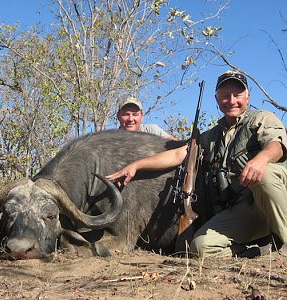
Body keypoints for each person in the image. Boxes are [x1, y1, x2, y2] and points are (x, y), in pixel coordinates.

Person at [107, 70, 287, 258]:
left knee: (265, 174)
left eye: (237, 95)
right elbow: (177, 154)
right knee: (200, 248)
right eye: (225, 96)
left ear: (248, 96)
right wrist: (135, 166)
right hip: (244, 209)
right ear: (217, 99)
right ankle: (259, 252)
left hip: (276, 200)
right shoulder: (210, 136)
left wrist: (262, 158)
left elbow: (277, 146)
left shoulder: (262, 118)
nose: (232, 100)